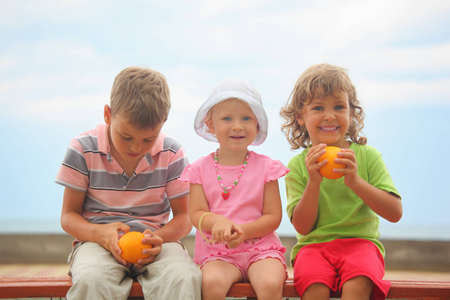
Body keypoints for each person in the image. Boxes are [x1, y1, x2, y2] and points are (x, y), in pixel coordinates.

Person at [55, 66, 201, 300]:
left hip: (157, 244)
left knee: (184, 277)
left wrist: (160, 238)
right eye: (126, 136)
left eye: (148, 139)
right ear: (108, 115)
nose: (136, 147)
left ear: (163, 123)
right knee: (91, 280)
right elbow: (68, 216)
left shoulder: (172, 153)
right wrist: (101, 235)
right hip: (96, 244)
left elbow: (185, 218)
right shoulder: (83, 149)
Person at [280, 63, 403, 300]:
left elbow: (395, 213)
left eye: (339, 106)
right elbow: (302, 227)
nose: (329, 115)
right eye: (318, 107)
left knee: (358, 282)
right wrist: (313, 182)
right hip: (313, 247)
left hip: (361, 244)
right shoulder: (298, 166)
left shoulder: (368, 157)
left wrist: (356, 181)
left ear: (351, 113)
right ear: (300, 118)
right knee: (314, 286)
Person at [180, 80, 288, 300]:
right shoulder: (199, 169)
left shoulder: (267, 168)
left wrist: (244, 232)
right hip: (218, 253)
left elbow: (273, 216)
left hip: (261, 249)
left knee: (269, 284)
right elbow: (196, 214)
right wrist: (217, 222)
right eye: (227, 118)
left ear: (257, 124)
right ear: (210, 124)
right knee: (212, 283)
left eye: (246, 118)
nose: (237, 126)